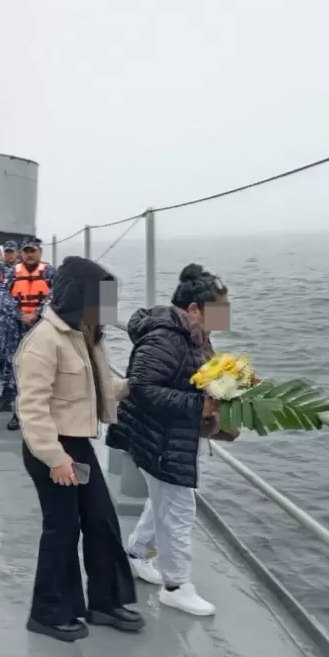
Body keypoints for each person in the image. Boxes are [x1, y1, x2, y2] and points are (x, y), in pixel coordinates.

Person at [15, 256, 141, 642]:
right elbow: (32, 408)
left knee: (101, 521)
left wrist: (139, 384)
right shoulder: (44, 341)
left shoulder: (86, 336)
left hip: (78, 445)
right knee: (63, 528)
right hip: (51, 447)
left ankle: (104, 601)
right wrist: (55, 459)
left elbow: (104, 385)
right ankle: (48, 611)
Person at [106, 264, 230, 617]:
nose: (222, 319)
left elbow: (196, 373)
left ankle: (137, 552)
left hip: (169, 435)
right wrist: (198, 405)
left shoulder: (195, 334)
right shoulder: (165, 337)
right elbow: (142, 387)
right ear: (193, 309)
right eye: (218, 310)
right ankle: (176, 586)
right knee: (178, 508)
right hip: (157, 436)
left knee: (165, 498)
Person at [0, 237, 55, 430]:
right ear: (21, 253)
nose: (29, 254)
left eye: (33, 250)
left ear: (40, 252)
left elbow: (56, 294)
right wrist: (19, 314)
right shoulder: (12, 272)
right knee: (15, 366)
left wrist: (37, 312)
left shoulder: (50, 272)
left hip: (41, 328)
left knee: (40, 370)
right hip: (15, 327)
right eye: (26, 251)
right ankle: (17, 411)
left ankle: (39, 412)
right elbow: (2, 295)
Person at [0, 240, 18, 383]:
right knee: (0, 340)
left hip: (18, 313)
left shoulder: (21, 269)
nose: (9, 255)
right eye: (7, 252)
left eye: (12, 252)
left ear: (17, 253)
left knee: (17, 341)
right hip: (1, 312)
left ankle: (15, 368)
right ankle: (0, 368)